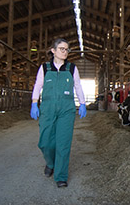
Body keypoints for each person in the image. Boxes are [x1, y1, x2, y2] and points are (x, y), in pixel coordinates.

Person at [30, 38, 87, 188]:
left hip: (66, 109)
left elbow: (78, 86)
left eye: (67, 49)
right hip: (47, 108)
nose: (65, 52)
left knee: (63, 144)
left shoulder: (72, 68)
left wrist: (82, 103)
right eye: (61, 49)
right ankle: (50, 163)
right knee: (45, 142)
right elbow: (38, 85)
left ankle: (60, 176)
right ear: (53, 51)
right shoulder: (45, 68)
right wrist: (34, 103)